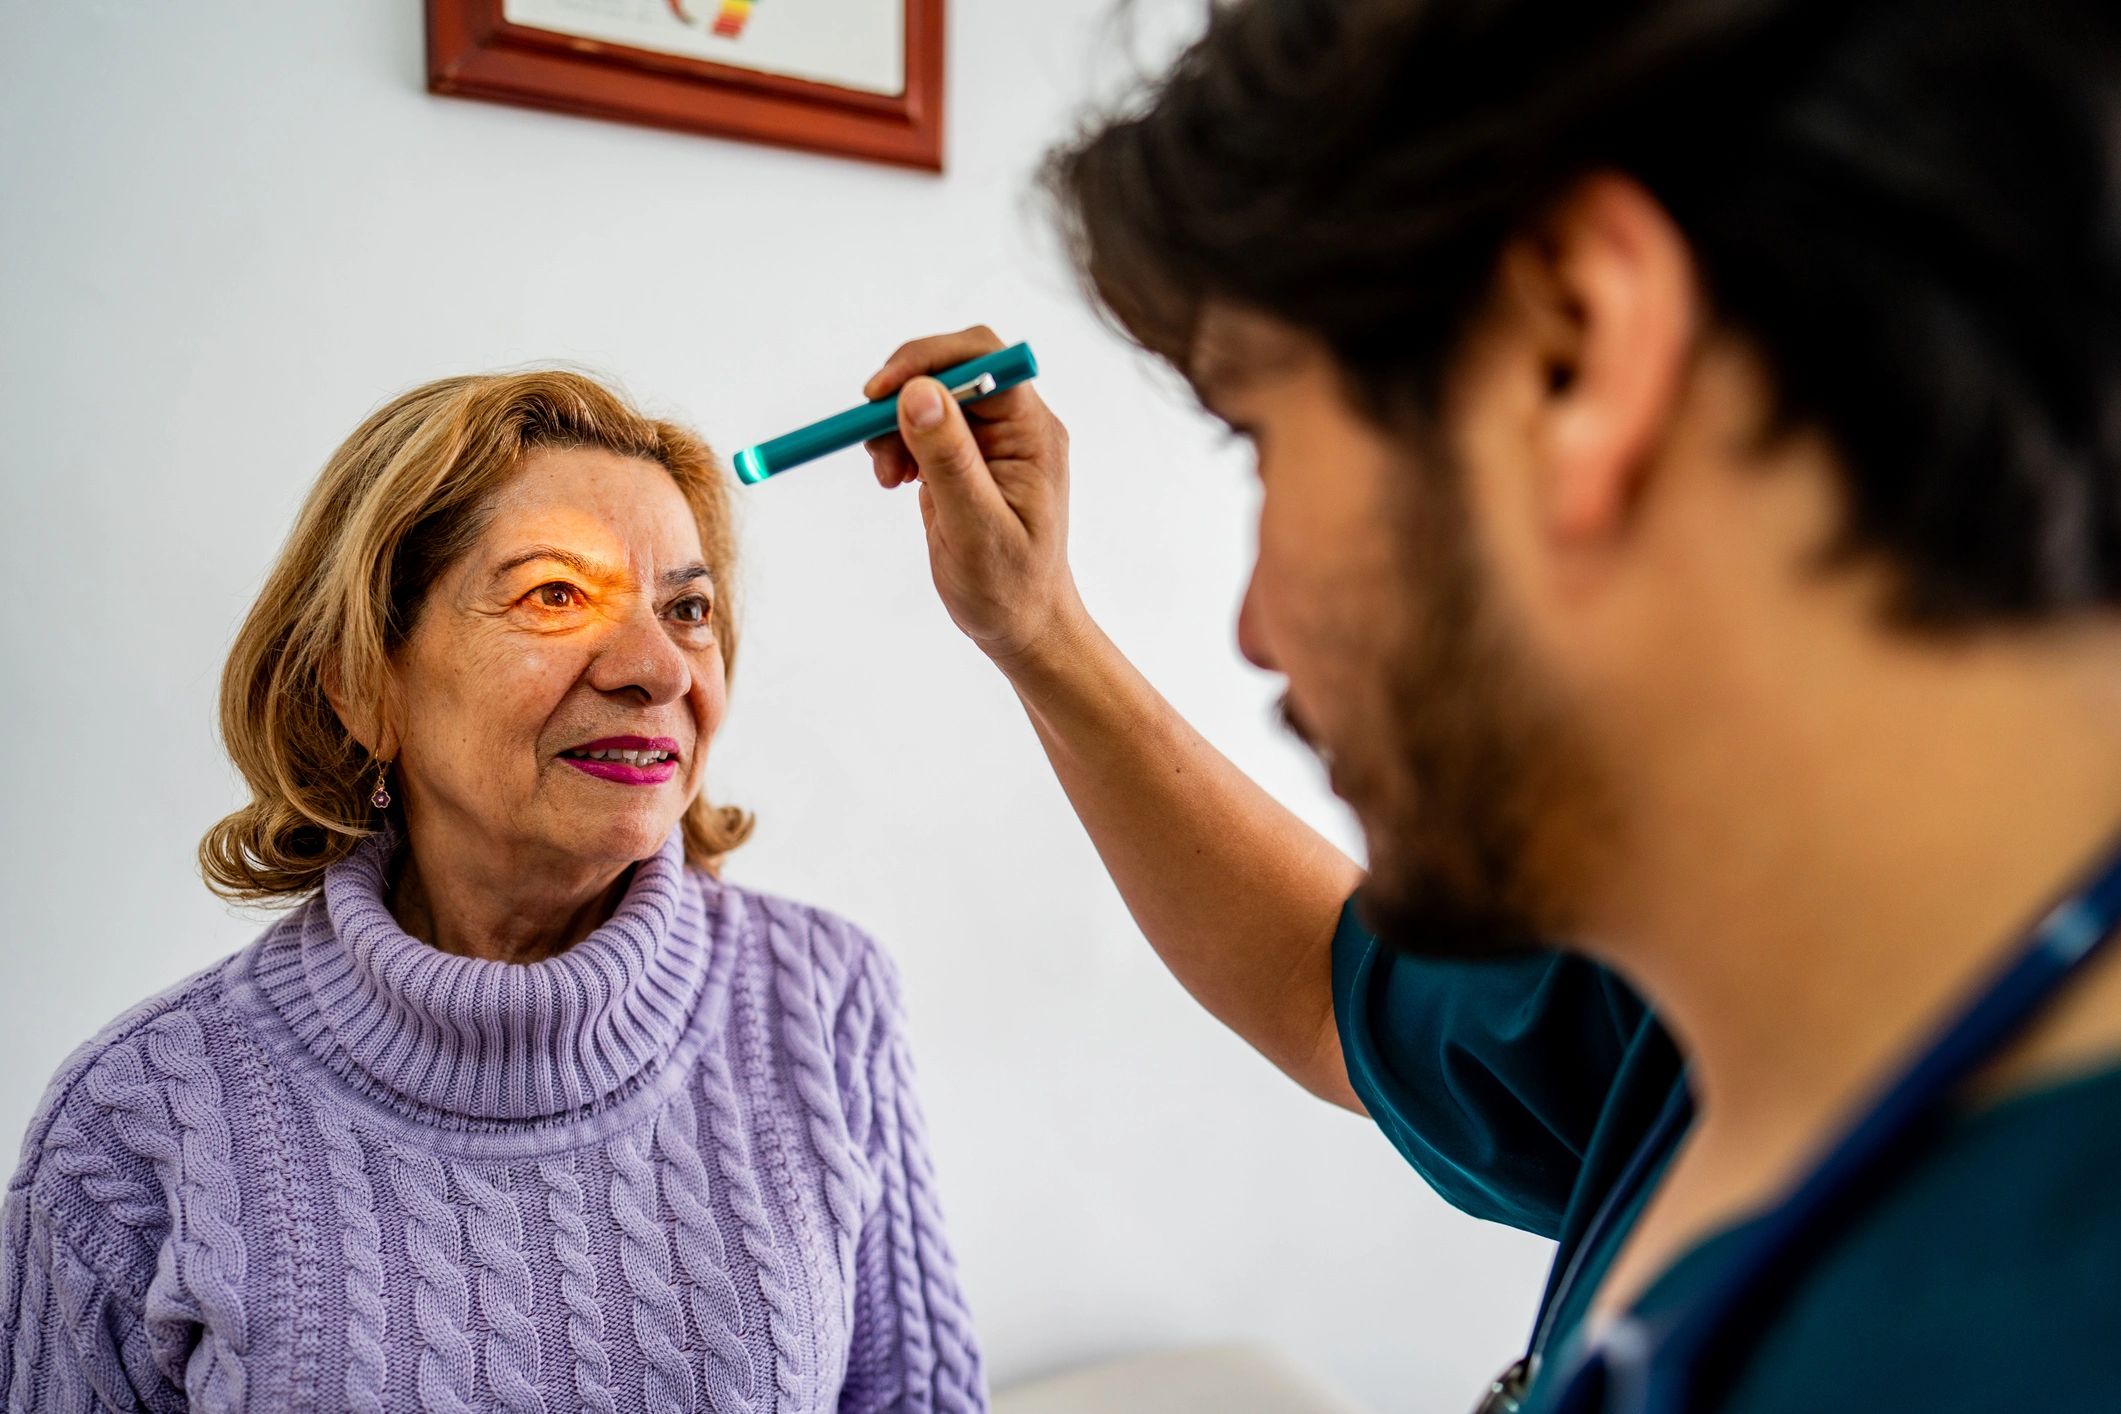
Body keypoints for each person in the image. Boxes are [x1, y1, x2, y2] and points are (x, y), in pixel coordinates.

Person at [859, 0, 2121, 1408]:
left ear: (1572, 351)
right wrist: (1038, 633)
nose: (1255, 626)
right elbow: (1328, 995)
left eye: (1261, 434)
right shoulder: (1719, 991)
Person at [0, 371, 985, 1412]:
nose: (657, 667)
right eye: (554, 594)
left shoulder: (824, 1002)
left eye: (687, 608)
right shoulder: (135, 1121)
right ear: (362, 687)